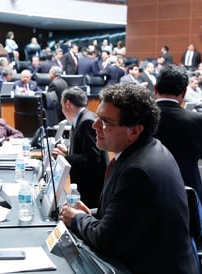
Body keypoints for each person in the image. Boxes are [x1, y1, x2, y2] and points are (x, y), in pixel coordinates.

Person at [60, 83, 198, 273]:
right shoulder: (146, 149)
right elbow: (126, 218)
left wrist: (78, 219)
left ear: (134, 131)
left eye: (106, 122)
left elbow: (107, 240)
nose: (95, 125)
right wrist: (92, 215)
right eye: (98, 117)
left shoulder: (138, 171)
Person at [52, 87, 108, 208]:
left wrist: (66, 158)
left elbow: (93, 158)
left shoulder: (86, 122)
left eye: (61, 105)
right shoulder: (82, 118)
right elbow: (84, 149)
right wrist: (68, 152)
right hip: (86, 183)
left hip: (92, 186)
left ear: (67, 103)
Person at [154, 64, 202, 201]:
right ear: (184, 92)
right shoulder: (198, 120)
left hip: (148, 191)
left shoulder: (140, 118)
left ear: (155, 88)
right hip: (188, 192)